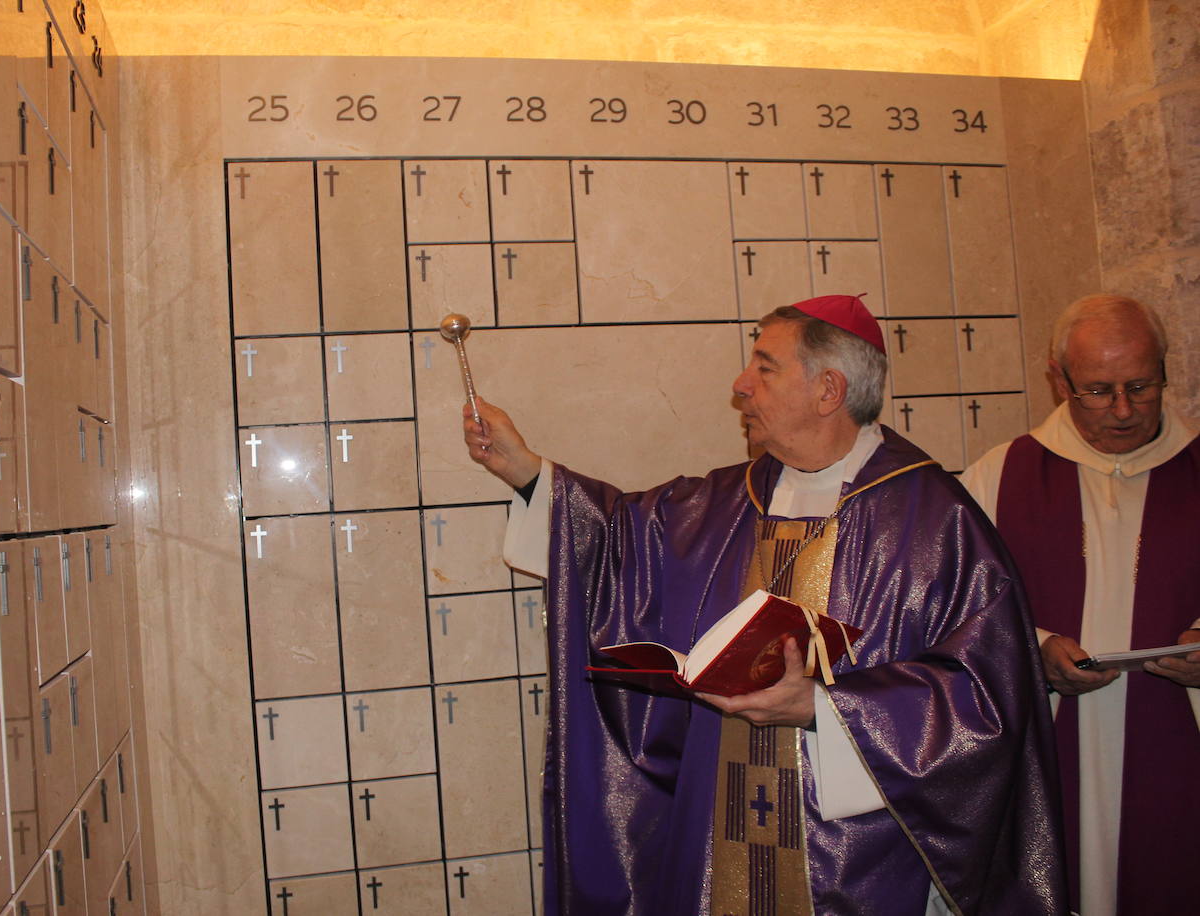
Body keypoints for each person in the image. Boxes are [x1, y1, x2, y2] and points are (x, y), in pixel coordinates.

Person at [464, 295, 1066, 915]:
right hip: (717, 839)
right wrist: (529, 473)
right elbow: (619, 538)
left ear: (828, 390)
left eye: (765, 367)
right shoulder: (726, 501)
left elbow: (989, 699)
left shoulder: (935, 521)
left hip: (859, 862)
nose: (740, 385)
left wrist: (826, 709)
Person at [960, 294, 1200, 915]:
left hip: (1180, 760)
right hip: (1049, 750)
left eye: (1141, 386)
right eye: (1097, 390)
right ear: (1057, 377)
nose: (1122, 409)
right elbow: (954, 610)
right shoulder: (998, 477)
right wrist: (1034, 650)